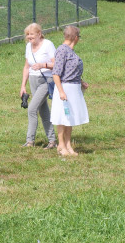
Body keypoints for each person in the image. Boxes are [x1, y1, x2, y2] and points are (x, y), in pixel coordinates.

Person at [50, 25, 90, 157]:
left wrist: (80, 81)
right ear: (76, 38)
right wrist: (61, 91)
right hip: (64, 88)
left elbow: (70, 70)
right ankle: (61, 145)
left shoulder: (70, 51)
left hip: (73, 88)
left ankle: (68, 145)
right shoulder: (62, 50)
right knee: (62, 116)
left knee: (70, 117)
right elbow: (56, 73)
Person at [19, 23, 57, 148]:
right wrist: (23, 86)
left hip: (46, 80)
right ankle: (52, 141)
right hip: (33, 80)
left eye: (31, 35)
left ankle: (30, 141)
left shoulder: (48, 44)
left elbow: (56, 64)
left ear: (39, 34)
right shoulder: (28, 47)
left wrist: (42, 65)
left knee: (32, 109)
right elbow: (26, 67)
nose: (29, 38)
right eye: (27, 36)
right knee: (43, 111)